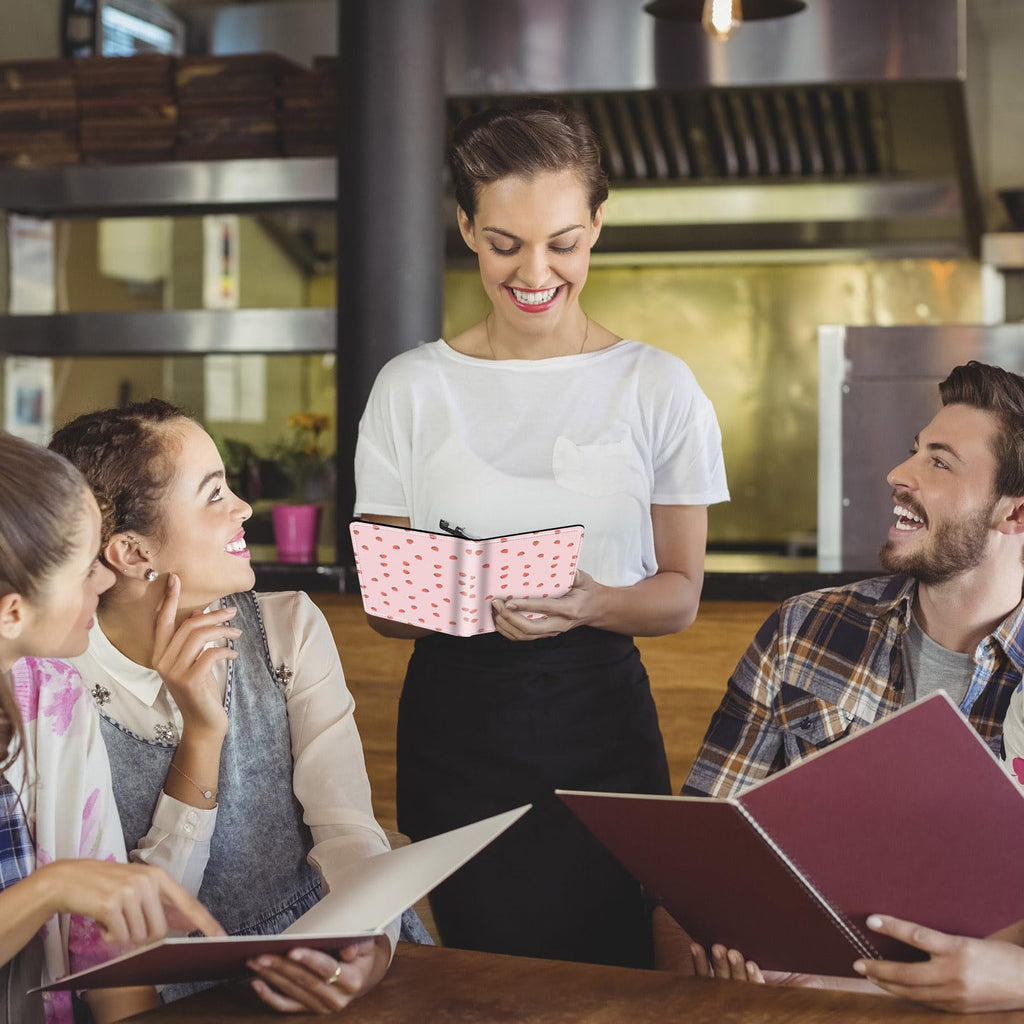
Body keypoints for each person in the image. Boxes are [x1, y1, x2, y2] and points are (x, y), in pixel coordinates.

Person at [354, 98, 729, 968]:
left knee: (618, 973)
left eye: (563, 242)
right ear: (465, 227)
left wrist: (593, 601)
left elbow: (678, 598)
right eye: (503, 243)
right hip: (457, 733)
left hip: (598, 726)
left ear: (597, 226)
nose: (535, 270)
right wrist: (471, 600)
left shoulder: (658, 387)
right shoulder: (411, 388)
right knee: (486, 977)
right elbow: (383, 603)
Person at [663, 360, 1024, 1007]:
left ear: (1015, 514)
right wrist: (720, 960)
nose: (898, 475)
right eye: (914, 451)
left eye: (939, 463)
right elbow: (687, 872)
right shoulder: (803, 630)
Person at [50, 400, 427, 1016]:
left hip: (325, 951)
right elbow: (132, 921)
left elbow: (348, 829)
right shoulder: (59, 683)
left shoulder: (290, 627)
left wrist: (371, 945)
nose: (244, 508)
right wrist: (202, 733)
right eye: (214, 493)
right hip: (164, 988)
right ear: (132, 552)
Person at [0, 430, 222, 1024]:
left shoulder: (55, 694)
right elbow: (74, 887)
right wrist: (52, 888)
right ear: (13, 611)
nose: (104, 580)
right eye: (81, 571)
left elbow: (107, 949)